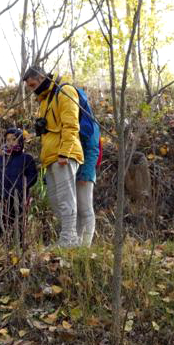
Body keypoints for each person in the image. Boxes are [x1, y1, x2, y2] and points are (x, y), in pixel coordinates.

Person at [22, 66, 84, 248]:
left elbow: (71, 125)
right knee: (55, 200)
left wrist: (64, 153)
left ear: (41, 78)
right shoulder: (44, 100)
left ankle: (69, 240)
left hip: (64, 155)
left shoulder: (65, 91)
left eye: (33, 85)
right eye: (29, 87)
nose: (33, 90)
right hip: (50, 158)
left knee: (66, 199)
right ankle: (70, 238)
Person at [0, 128, 38, 244]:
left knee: (17, 223)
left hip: (18, 197)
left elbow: (33, 176)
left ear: (20, 140)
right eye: (8, 140)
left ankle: (18, 246)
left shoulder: (26, 158)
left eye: (14, 139)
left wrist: (21, 187)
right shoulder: (0, 159)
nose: (10, 142)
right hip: (0, 197)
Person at [76, 105, 101, 246]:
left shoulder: (90, 123)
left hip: (85, 172)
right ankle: (77, 244)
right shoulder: (71, 121)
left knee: (85, 208)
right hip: (73, 171)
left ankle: (86, 246)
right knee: (77, 210)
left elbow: (93, 150)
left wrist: (85, 173)